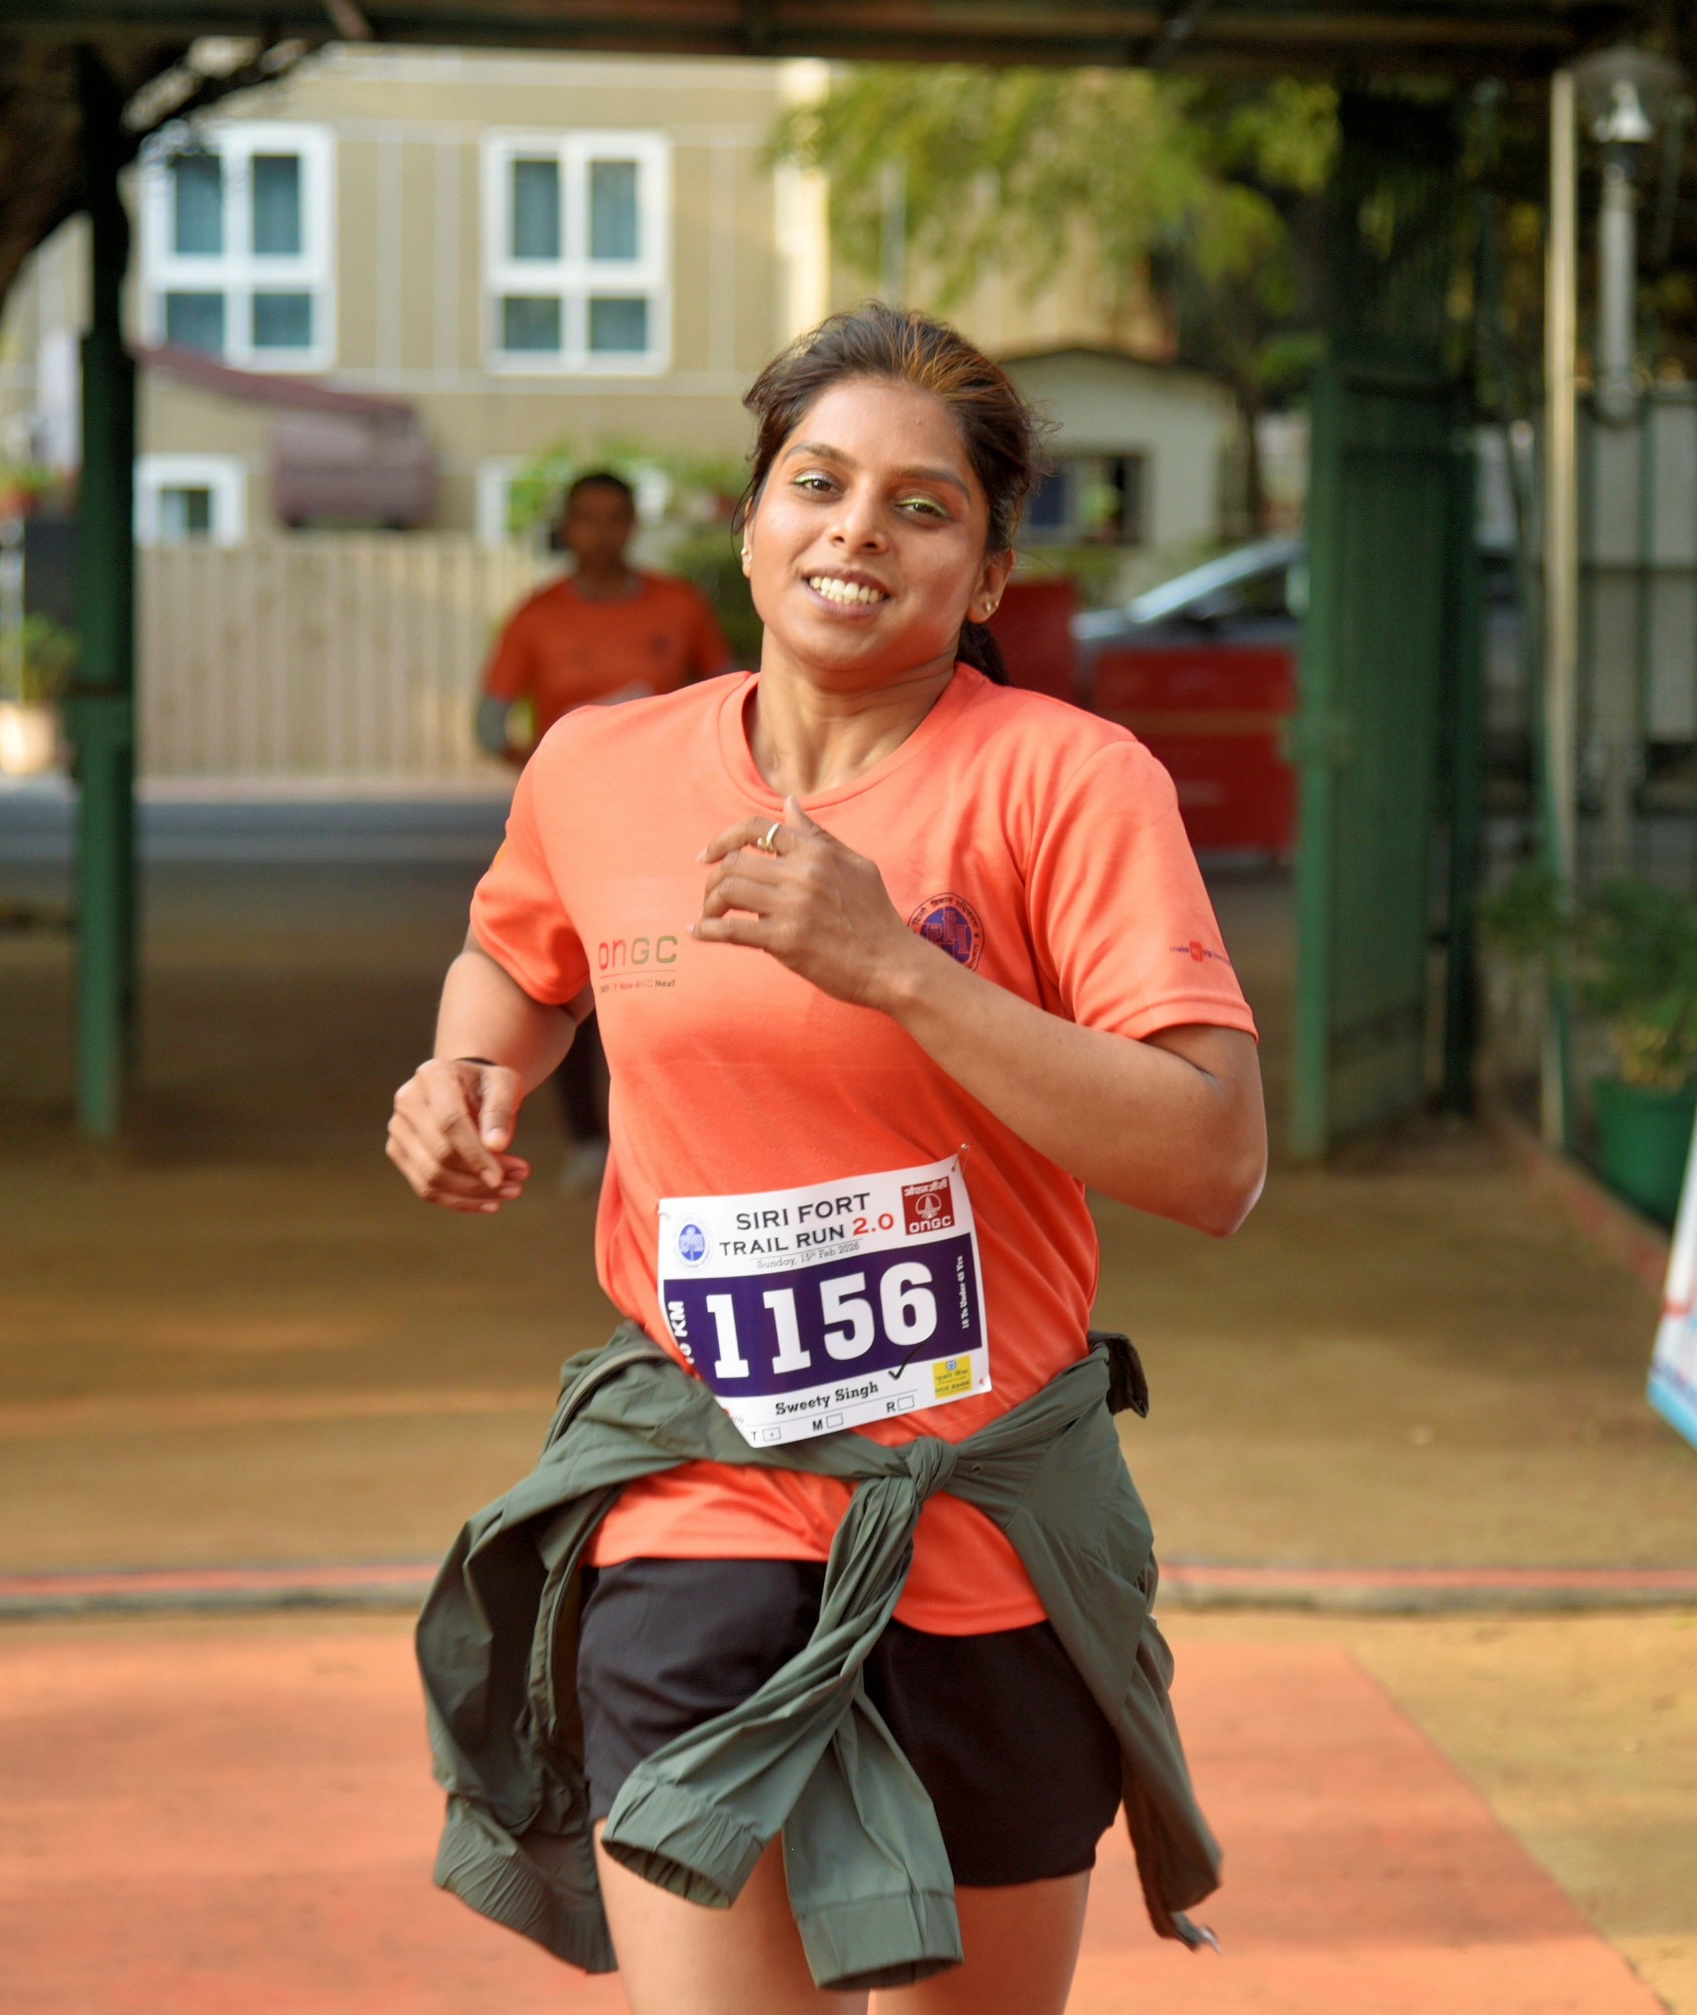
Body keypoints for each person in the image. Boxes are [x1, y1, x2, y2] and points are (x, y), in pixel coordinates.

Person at [394, 308, 1265, 2013]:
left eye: (922, 506)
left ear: (989, 573)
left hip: (983, 1533)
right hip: (700, 1501)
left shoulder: (1068, 783)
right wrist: (464, 1076)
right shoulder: (600, 768)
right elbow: (517, 959)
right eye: (817, 483)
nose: (858, 530)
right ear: (749, 526)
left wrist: (898, 970)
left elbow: (1212, 1157)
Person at [476, 471, 735, 1191]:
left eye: (615, 516)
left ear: (633, 525)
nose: (602, 532)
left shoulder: (679, 606)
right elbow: (488, 724)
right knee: (567, 976)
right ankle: (591, 1138)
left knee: (674, 970)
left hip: (676, 822)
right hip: (577, 827)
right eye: (587, 517)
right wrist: (549, 775)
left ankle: (672, 1134)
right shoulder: (537, 617)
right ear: (567, 525)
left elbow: (736, 691)